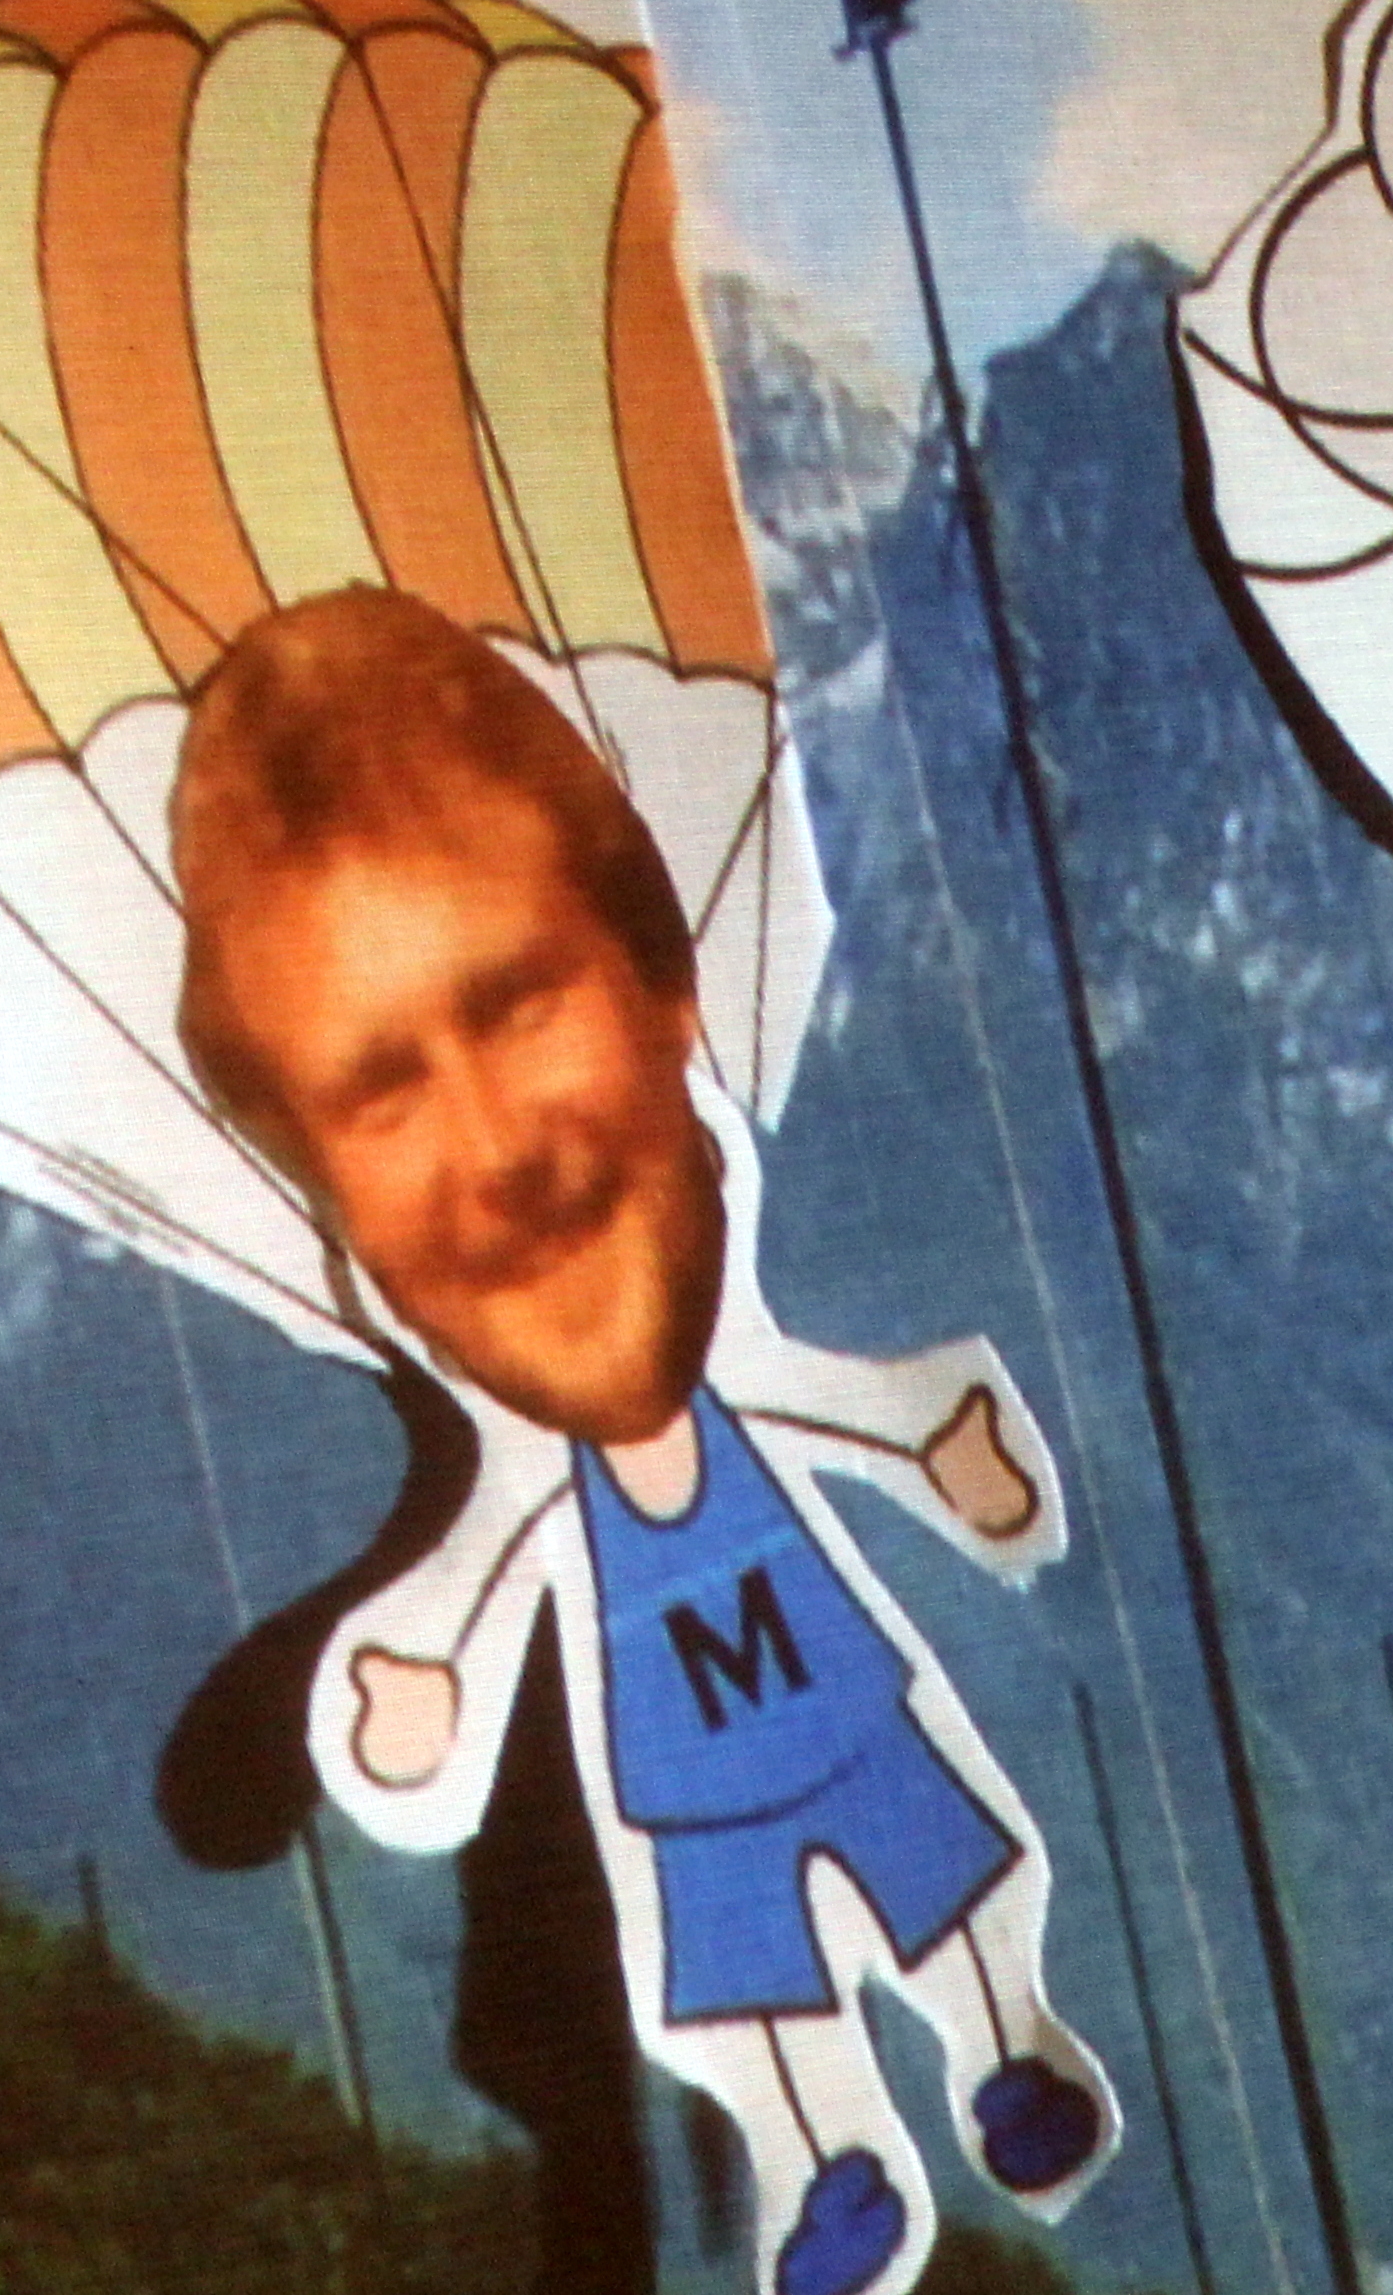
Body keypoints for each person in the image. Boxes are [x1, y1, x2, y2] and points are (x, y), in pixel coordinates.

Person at [172, 586, 1116, 2295]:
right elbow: (474, 1597)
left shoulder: (731, 1370)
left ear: (667, 988)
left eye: (518, 1003)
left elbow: (850, 1407)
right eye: (383, 1093)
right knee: (746, 1992)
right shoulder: (521, 1494)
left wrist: (945, 1458)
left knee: (939, 1873)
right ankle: (830, 2169)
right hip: (686, 1803)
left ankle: (1001, 2049)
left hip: (839, 1716)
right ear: (333, 1223)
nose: (497, 1149)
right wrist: (413, 1700)